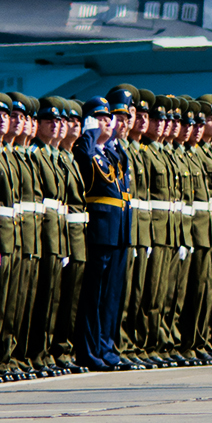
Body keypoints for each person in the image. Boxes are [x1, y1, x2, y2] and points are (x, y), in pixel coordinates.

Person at [74, 91, 133, 370]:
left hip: (119, 229)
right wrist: (87, 136)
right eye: (100, 118)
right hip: (100, 228)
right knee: (94, 294)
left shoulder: (112, 152)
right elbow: (84, 162)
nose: (107, 122)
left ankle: (107, 348)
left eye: (109, 118)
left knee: (111, 295)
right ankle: (90, 351)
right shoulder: (85, 149)